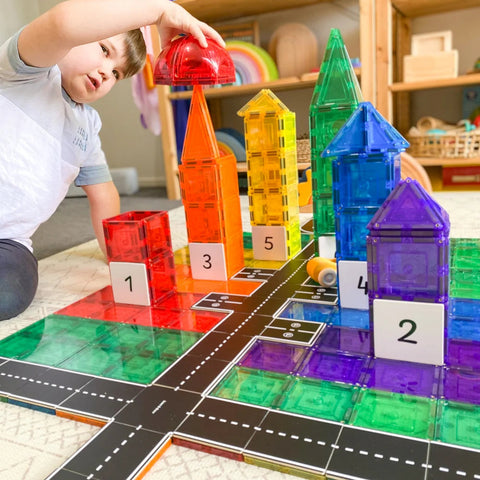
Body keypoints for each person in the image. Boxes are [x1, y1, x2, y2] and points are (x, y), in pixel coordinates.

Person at [0, 0, 225, 320]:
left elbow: (103, 192)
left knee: (11, 293)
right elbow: (62, 24)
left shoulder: (87, 125)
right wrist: (160, 11)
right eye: (104, 50)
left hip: (9, 242)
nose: (107, 71)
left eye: (117, 73)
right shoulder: (25, 71)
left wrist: (116, 253)